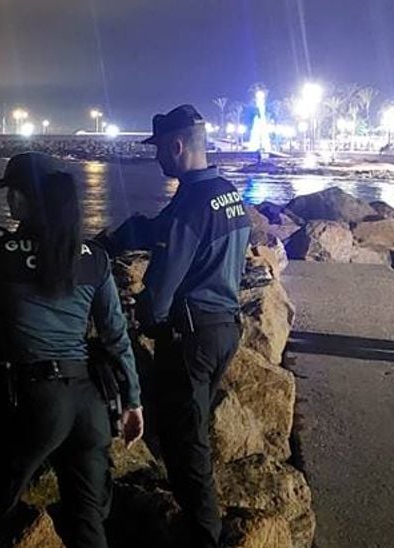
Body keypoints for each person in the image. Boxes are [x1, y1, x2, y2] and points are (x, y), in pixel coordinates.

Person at [0, 152, 143, 548]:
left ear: (25, 198)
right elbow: (116, 336)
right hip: (89, 403)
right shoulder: (93, 259)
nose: (8, 201)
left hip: (36, 400)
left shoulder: (2, 254)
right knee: (88, 522)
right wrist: (133, 401)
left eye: (11, 192)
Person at [109, 105, 251, 548]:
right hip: (227, 325)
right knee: (191, 429)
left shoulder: (190, 203)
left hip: (193, 335)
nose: (156, 159)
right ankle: (194, 512)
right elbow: (177, 234)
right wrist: (132, 235)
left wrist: (140, 321)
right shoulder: (228, 193)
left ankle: (204, 536)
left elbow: (162, 288)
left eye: (159, 150)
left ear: (176, 146)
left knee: (187, 445)